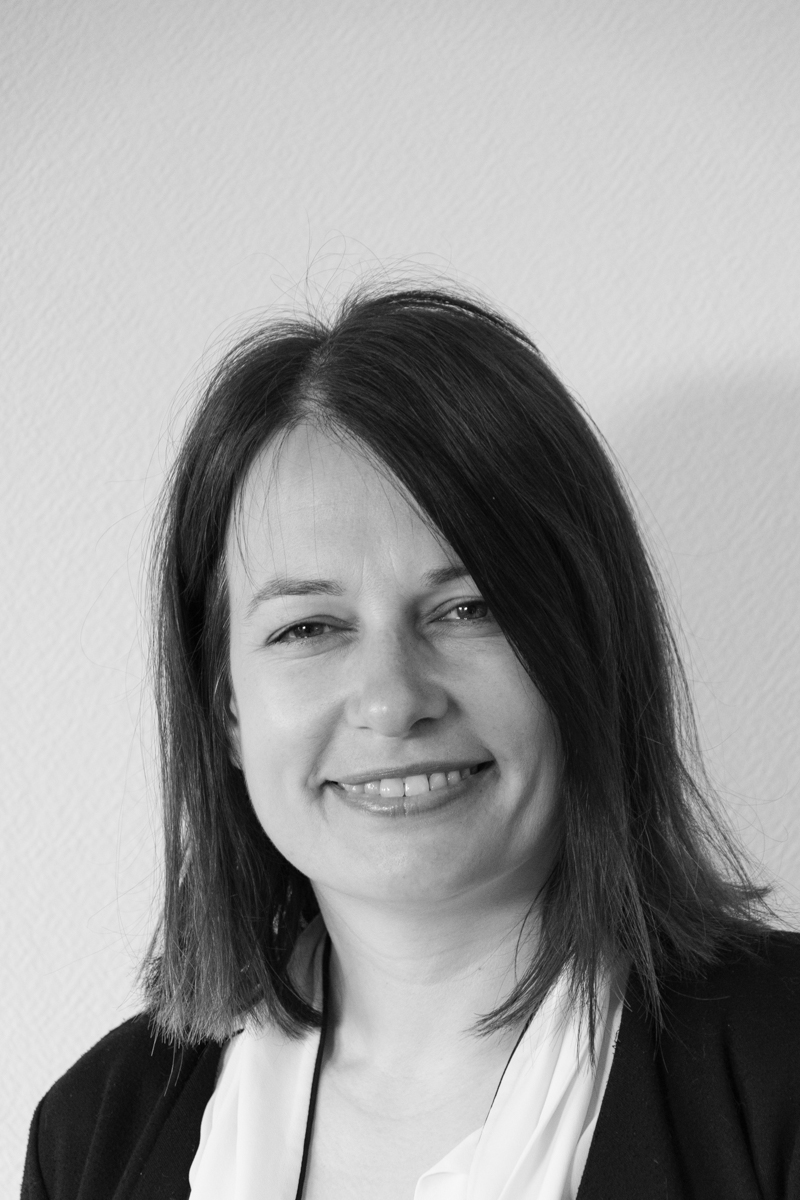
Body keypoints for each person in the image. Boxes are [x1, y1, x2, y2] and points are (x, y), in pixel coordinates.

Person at [22, 285, 800, 1200]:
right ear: (226, 707)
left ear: (586, 650)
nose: (393, 701)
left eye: (469, 609)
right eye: (309, 628)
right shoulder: (92, 1137)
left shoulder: (782, 1068)